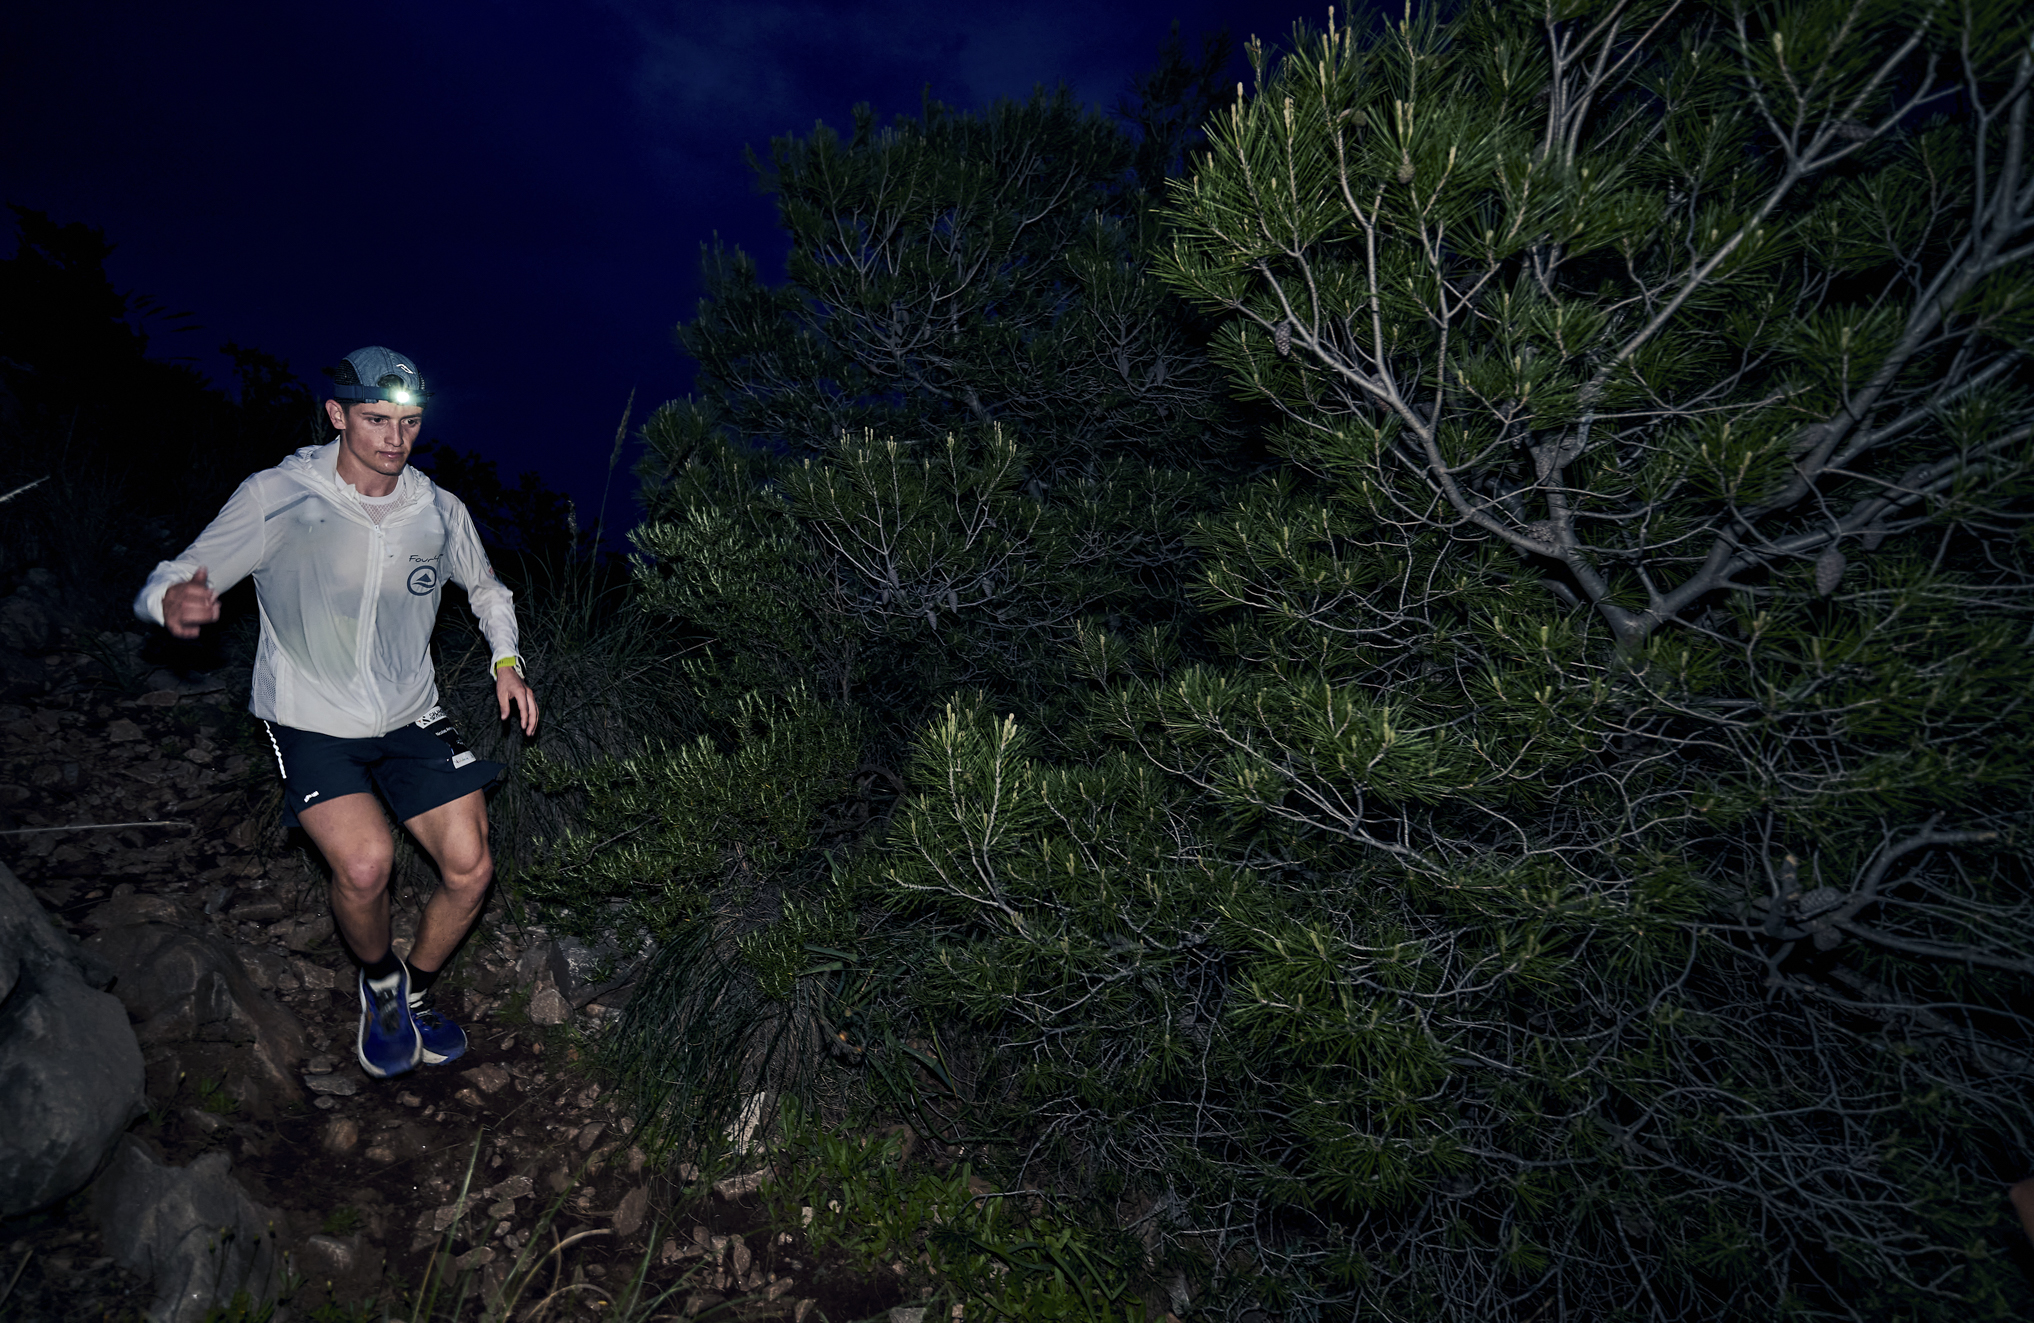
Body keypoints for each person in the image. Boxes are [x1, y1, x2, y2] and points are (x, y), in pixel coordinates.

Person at [134, 346, 538, 1079]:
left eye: (409, 422)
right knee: (364, 864)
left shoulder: (436, 509)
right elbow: (176, 571)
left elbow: (487, 588)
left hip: (410, 711)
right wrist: (169, 600)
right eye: (377, 419)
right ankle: (379, 984)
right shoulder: (279, 494)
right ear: (337, 415)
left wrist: (505, 661)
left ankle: (414, 990)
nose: (396, 437)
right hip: (311, 715)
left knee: (471, 868)